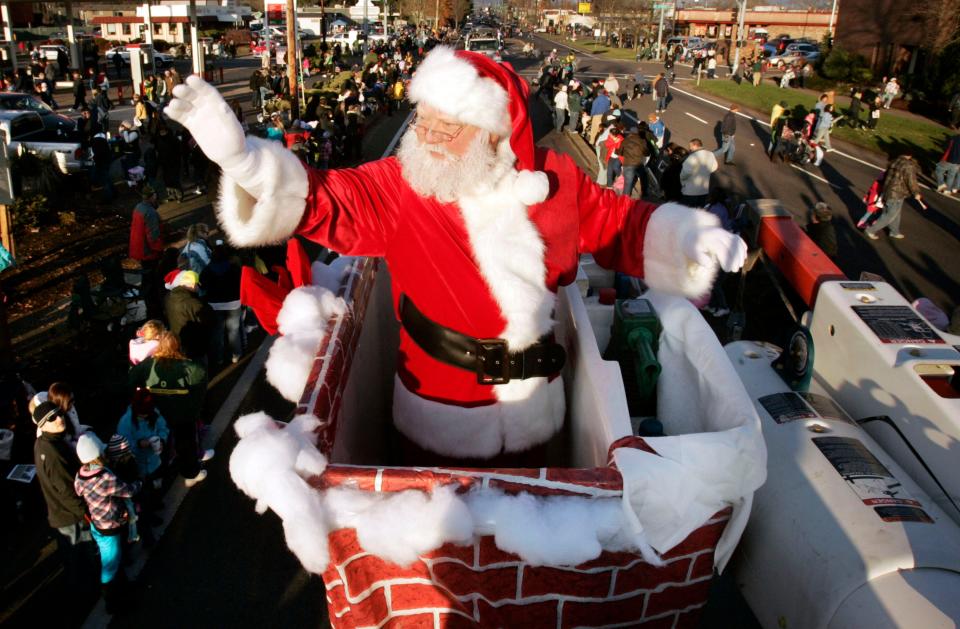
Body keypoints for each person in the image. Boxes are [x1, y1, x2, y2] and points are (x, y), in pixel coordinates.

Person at [166, 49, 746, 464]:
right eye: (426, 121)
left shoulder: (559, 181)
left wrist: (689, 235)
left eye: (450, 127)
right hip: (435, 413)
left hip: (537, 409)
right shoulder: (401, 186)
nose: (429, 137)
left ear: (498, 133)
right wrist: (243, 163)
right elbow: (324, 201)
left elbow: (621, 223)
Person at [33, 401, 94, 608]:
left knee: (72, 559)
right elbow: (66, 490)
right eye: (51, 418)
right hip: (70, 516)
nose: (59, 418)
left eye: (58, 414)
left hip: (60, 514)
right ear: (43, 425)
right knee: (80, 558)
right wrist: (85, 512)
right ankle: (84, 599)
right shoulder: (52, 452)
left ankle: (78, 595)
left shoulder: (45, 444)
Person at [128, 332, 210, 485]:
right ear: (178, 346)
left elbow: (131, 379)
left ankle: (159, 477)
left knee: (160, 447)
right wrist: (193, 412)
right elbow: (199, 395)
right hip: (183, 416)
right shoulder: (192, 368)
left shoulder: (147, 366)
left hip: (157, 415)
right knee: (187, 445)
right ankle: (190, 473)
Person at [74, 433, 140, 614]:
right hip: (110, 526)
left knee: (113, 558)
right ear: (98, 455)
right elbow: (127, 491)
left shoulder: (81, 474)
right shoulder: (105, 479)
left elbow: (79, 491)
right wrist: (138, 484)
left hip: (96, 523)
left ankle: (123, 586)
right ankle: (111, 600)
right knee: (110, 563)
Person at [201, 240, 245, 366]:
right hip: (234, 303)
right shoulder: (234, 268)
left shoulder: (207, 270)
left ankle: (218, 358)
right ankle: (236, 354)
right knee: (234, 331)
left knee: (217, 332)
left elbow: (203, 285)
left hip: (215, 305)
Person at [865, 154, 926, 240]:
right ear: (910, 155)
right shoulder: (908, 165)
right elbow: (911, 180)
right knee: (890, 215)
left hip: (888, 190)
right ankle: (871, 230)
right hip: (897, 192)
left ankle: (894, 231)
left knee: (895, 213)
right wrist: (916, 193)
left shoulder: (895, 161)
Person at [164, 269, 215, 361]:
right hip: (194, 345)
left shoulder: (169, 296)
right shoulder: (193, 303)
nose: (197, 287)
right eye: (196, 284)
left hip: (177, 340)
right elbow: (210, 319)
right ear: (192, 284)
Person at [129, 185, 165, 316]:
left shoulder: (139, 207)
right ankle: (154, 307)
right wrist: (159, 251)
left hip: (139, 249)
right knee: (152, 279)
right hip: (149, 252)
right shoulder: (150, 213)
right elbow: (153, 236)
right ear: (153, 196)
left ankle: (148, 301)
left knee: (146, 276)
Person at [679, 138, 718, 207]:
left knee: (686, 211)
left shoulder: (693, 156)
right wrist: (704, 171)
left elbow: (685, 173)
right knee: (698, 211)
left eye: (690, 146)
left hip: (690, 191)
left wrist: (682, 181)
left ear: (695, 145)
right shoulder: (710, 154)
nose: (690, 148)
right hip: (703, 191)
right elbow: (715, 167)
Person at [934, 128, 960, 196]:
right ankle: (947, 190)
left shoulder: (954, 138)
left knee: (938, 170)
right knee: (951, 176)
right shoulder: (953, 138)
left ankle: (941, 184)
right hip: (958, 162)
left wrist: (943, 158)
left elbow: (948, 149)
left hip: (949, 159)